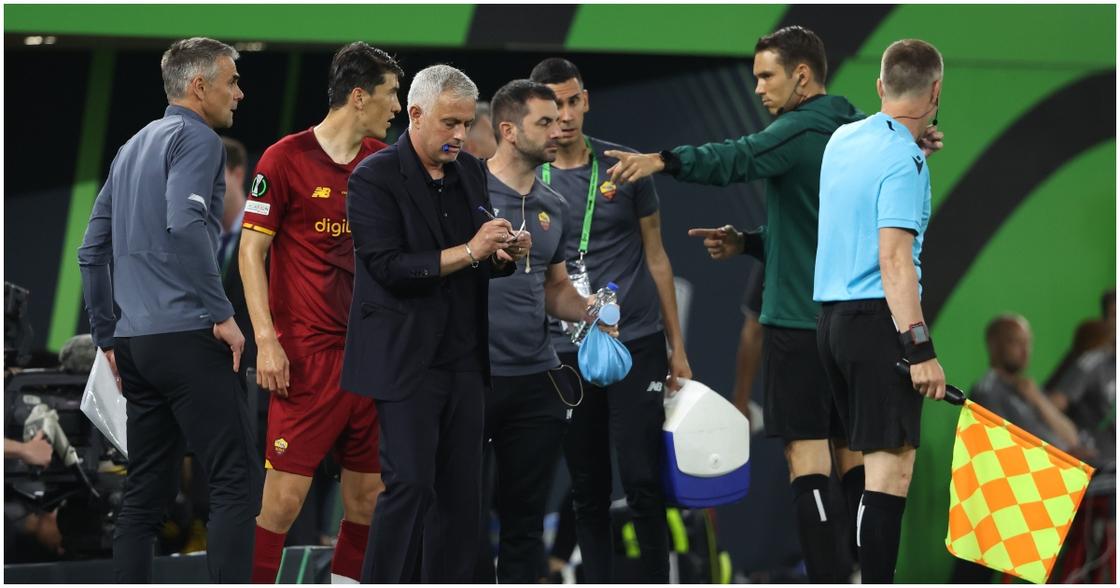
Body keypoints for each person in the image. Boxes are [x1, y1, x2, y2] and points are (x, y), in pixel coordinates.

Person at [604, 27, 939, 580]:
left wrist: (664, 160)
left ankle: (835, 578)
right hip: (855, 322)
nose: (758, 88)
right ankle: (861, 573)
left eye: (766, 76)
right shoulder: (856, 129)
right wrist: (752, 241)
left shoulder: (803, 130)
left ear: (801, 75)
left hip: (803, 324)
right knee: (860, 460)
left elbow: (738, 157)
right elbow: (824, 227)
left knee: (807, 462)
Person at [77, 37, 260, 582]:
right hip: (187, 337)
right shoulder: (200, 139)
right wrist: (222, 312)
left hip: (135, 345)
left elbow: (91, 251)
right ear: (199, 86)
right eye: (231, 81)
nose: (240, 93)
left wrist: (107, 337)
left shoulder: (131, 146)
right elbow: (185, 225)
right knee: (236, 480)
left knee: (145, 493)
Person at [342, 64, 530, 582]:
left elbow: (477, 261)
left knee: (461, 498)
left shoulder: (470, 171)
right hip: (406, 362)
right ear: (416, 114)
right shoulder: (372, 178)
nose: (460, 136)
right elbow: (388, 267)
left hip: (466, 361)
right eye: (449, 123)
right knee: (410, 487)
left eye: (467, 125)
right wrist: (471, 250)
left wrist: (502, 253)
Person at [238, 42, 403, 584]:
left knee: (368, 500)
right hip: (305, 359)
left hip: (372, 358)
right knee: (282, 503)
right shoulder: (282, 159)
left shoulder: (383, 165)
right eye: (390, 94)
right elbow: (251, 251)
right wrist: (266, 340)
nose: (396, 107)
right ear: (359, 97)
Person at [528, 57, 691, 583]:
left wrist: (678, 349)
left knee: (643, 480)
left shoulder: (625, 167)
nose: (567, 115)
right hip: (566, 350)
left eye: (575, 101)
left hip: (635, 340)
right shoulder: (528, 177)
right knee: (587, 485)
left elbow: (658, 257)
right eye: (555, 106)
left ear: (587, 99)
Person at [812, 38, 946, 583]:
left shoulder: (843, 139)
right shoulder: (903, 159)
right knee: (889, 479)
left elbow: (867, 189)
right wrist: (920, 349)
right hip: (878, 326)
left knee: (864, 472)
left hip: (832, 327)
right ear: (936, 91)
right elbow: (894, 262)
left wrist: (914, 150)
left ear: (880, 87)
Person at [477, 79, 612, 582]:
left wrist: (589, 310)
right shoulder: (465, 191)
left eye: (560, 120)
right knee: (462, 516)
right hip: (472, 379)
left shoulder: (554, 204)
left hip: (535, 381)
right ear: (508, 130)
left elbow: (554, 289)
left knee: (524, 525)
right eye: (545, 122)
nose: (559, 130)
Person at [971, 315, 1084, 452]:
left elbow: (1072, 438)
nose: (1025, 351)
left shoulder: (1028, 389)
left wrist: (1038, 399)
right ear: (994, 345)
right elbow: (1004, 449)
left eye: (1028, 342)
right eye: (1017, 342)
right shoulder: (987, 392)